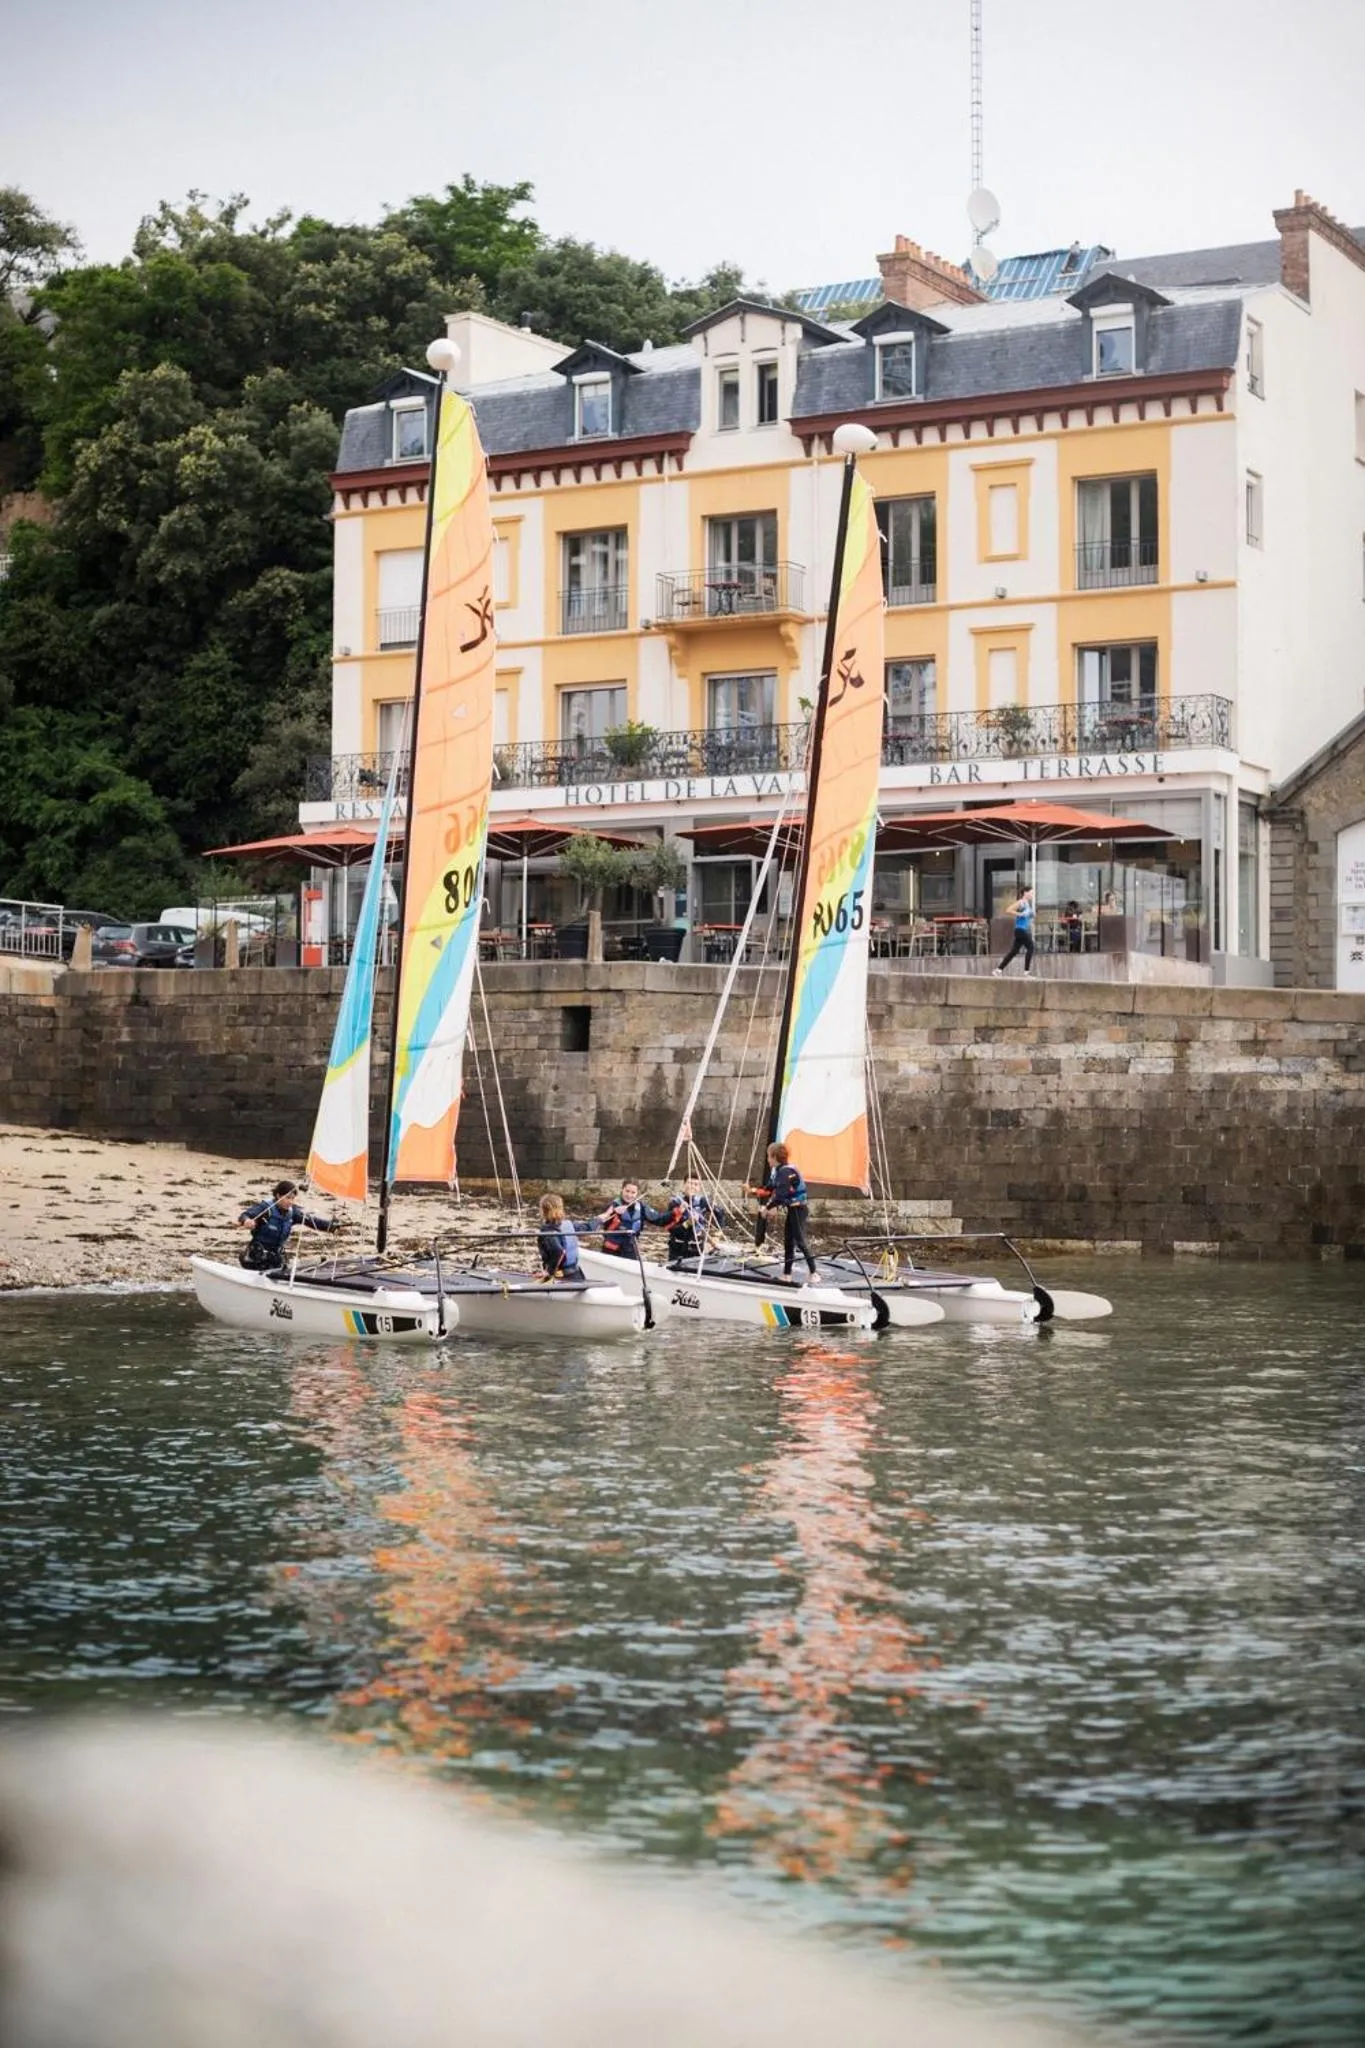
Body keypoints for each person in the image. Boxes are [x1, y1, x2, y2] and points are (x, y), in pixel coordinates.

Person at [237, 1181, 341, 1274]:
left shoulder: (293, 1212)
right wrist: (247, 1221)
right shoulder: (266, 1208)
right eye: (287, 1197)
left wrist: (330, 1226)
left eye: (292, 1198)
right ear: (278, 1196)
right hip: (256, 1257)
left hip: (276, 1258)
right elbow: (245, 1215)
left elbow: (311, 1221)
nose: (290, 1201)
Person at [756, 1142, 818, 1285]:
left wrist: (768, 1207)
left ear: (774, 1157)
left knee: (800, 1240)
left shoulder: (785, 1171)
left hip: (798, 1209)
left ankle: (814, 1272)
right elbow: (769, 1189)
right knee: (788, 1242)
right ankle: (786, 1275)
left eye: (768, 1156)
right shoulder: (778, 1171)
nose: (767, 1159)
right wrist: (752, 1191)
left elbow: (781, 1195)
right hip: (792, 1209)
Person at [589, 1180, 668, 1257]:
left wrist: (674, 1213)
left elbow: (659, 1219)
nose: (629, 1195)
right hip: (611, 1250)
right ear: (622, 1190)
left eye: (633, 1192)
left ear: (637, 1193)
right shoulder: (612, 1205)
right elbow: (600, 1219)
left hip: (630, 1250)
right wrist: (614, 1211)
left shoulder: (642, 1207)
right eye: (627, 1191)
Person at [663, 1177, 728, 1263]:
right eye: (690, 1183)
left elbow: (720, 1214)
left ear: (699, 1188)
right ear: (684, 1184)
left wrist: (717, 1235)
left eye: (696, 1184)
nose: (692, 1187)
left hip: (697, 1247)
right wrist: (687, 1223)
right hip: (678, 1247)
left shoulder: (702, 1201)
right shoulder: (675, 1202)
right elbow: (670, 1229)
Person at [537, 1193, 582, 1281]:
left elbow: (558, 1251)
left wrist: (548, 1271)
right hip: (575, 1272)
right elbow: (586, 1227)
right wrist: (598, 1220)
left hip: (561, 1276)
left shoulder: (548, 1230)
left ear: (543, 1211)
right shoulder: (568, 1224)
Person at [992, 886, 1036, 976]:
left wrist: (1031, 915)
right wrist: (1019, 914)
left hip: (1021, 930)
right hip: (1020, 930)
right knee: (1031, 947)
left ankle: (998, 970)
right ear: (1025, 893)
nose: (1032, 895)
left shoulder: (1027, 904)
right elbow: (1008, 910)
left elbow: (1028, 916)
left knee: (1013, 952)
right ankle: (1026, 972)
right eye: (1031, 893)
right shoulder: (1021, 902)